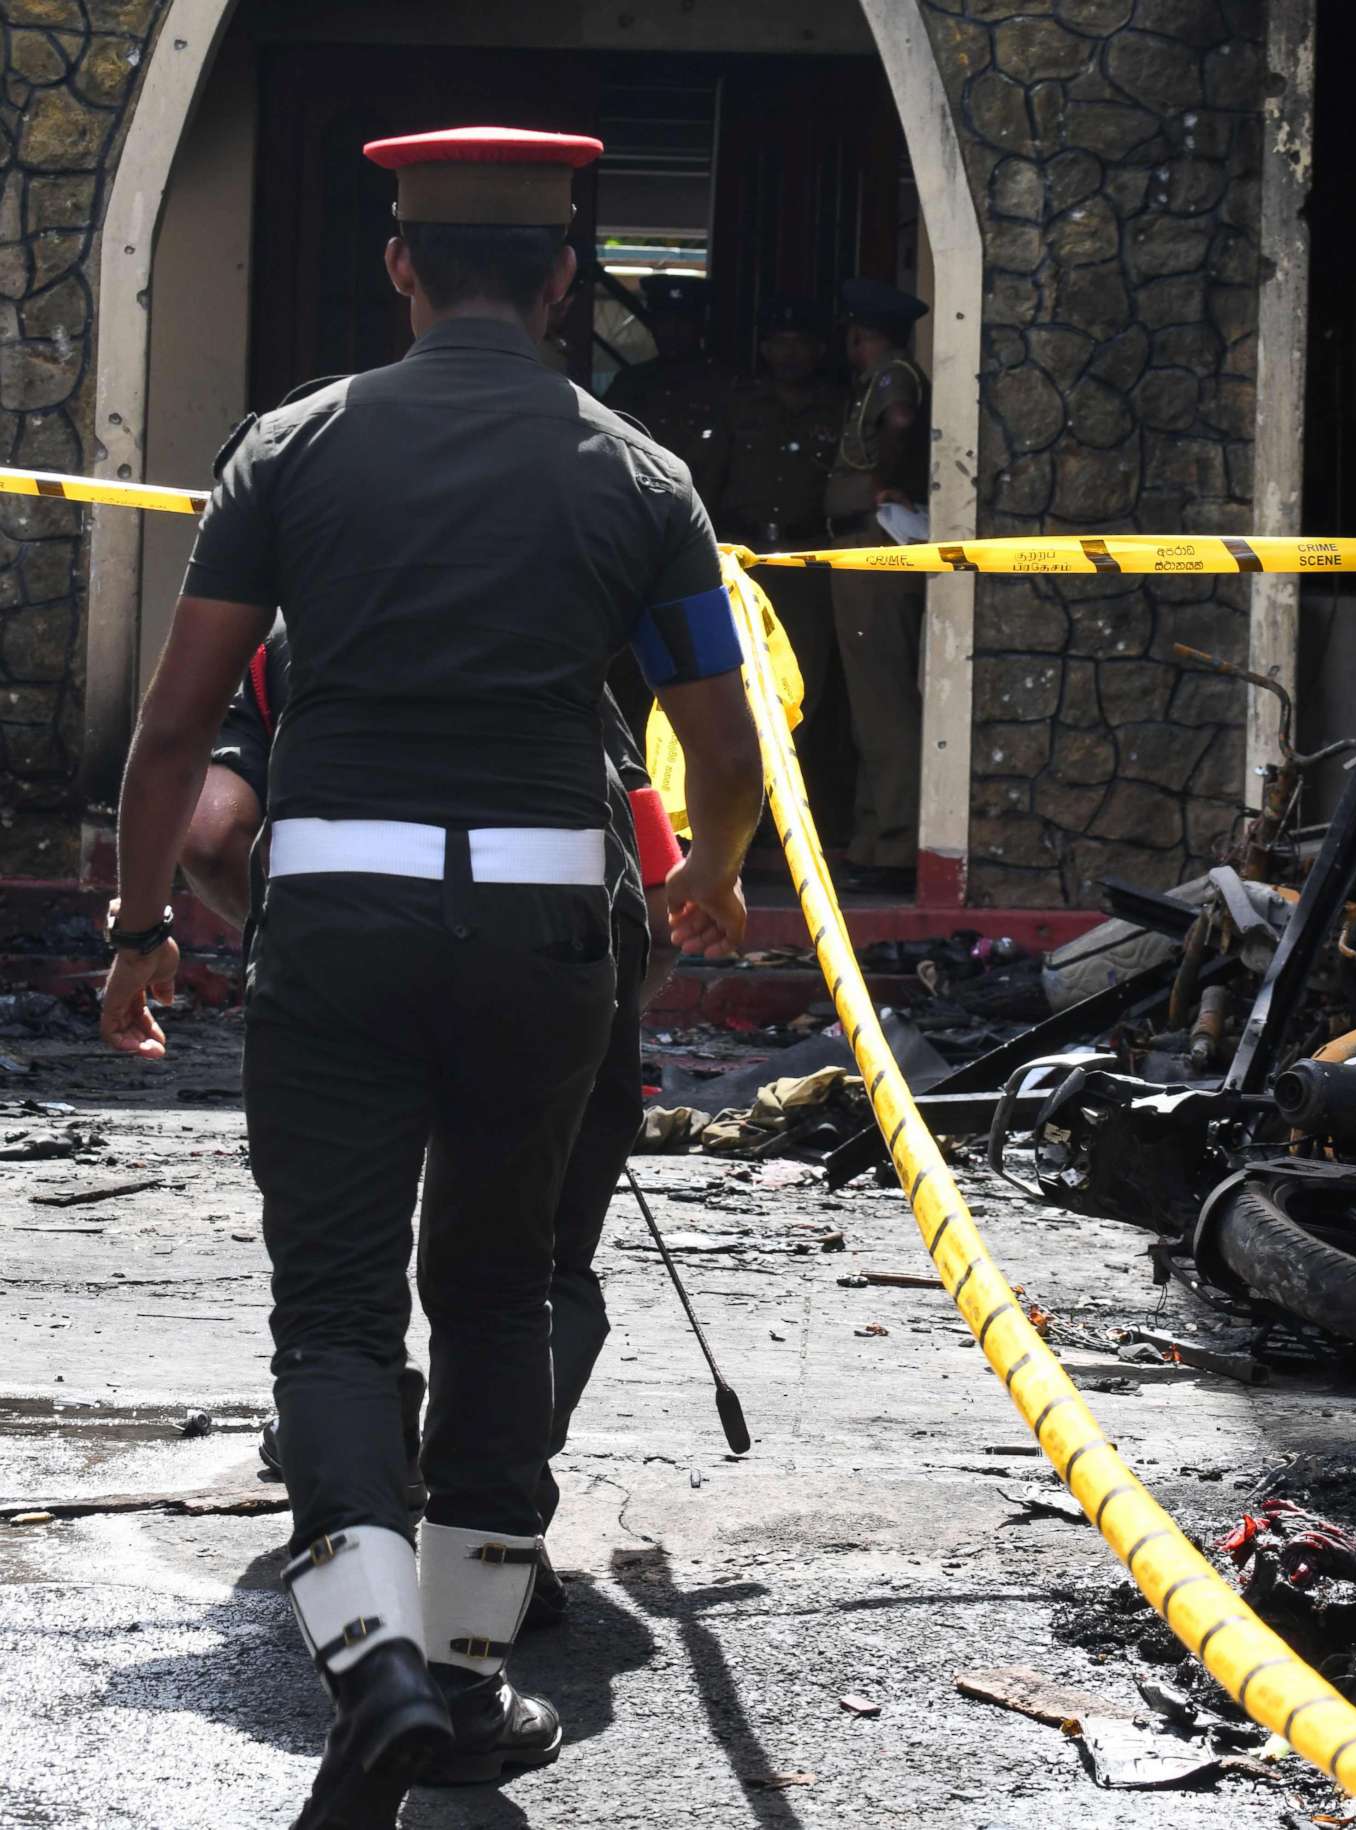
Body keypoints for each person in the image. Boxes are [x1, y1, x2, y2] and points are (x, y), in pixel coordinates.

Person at [96, 126, 764, 1829]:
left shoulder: (290, 449)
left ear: (398, 266)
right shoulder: (636, 474)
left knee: (329, 1312)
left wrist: (135, 930)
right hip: (544, 939)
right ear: (561, 288)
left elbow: (179, 727)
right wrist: (717, 880)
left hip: (335, 922)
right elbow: (718, 731)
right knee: (495, 1293)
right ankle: (458, 1684)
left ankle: (369, 1664)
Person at [180, 630, 701, 1621]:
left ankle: (357, 1562)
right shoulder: (553, 612)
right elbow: (661, 887)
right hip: (549, 958)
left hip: (344, 950)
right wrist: (603, 1007)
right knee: (527, 1276)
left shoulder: (287, 636)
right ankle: (486, 1565)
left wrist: (288, 939)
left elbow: (208, 836)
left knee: (340, 1300)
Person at [712, 295, 844, 832]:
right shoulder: (739, 405)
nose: (789, 355)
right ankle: (738, 819)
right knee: (733, 689)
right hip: (745, 561)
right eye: (779, 344)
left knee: (802, 692)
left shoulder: (837, 406)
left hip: (807, 562)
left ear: (817, 351)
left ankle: (792, 822)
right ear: (764, 349)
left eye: (800, 344)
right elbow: (710, 476)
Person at [825, 277, 931, 892]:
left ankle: (894, 842)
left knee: (883, 698)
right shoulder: (880, 376)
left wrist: (891, 479)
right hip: (857, 541)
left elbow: (899, 422)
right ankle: (873, 835)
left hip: (875, 539)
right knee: (868, 699)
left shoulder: (893, 374)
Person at [603, 275, 724, 496]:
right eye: (664, 322)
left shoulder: (724, 386)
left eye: (682, 323)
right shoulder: (630, 383)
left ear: (699, 326)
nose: (672, 331)